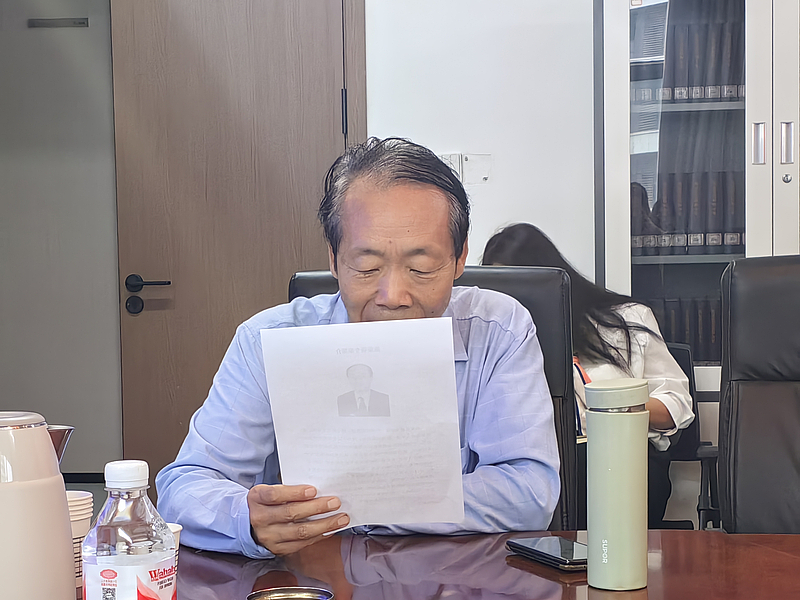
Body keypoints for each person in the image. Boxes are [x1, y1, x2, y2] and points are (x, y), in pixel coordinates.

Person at [156, 138, 560, 558]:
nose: (393, 296)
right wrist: (248, 520)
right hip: (308, 578)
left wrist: (358, 509)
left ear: (460, 258)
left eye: (421, 268)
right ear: (334, 260)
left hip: (453, 578)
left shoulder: (498, 330)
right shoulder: (267, 340)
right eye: (367, 267)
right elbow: (183, 488)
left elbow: (529, 492)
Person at [481, 222, 694, 528]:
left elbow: (676, 404)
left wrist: (617, 408)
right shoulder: (496, 339)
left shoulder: (626, 319)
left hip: (619, 457)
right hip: (535, 465)